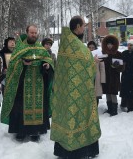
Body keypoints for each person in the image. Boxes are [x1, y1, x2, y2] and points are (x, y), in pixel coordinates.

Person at [50, 16, 101, 159]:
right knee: (80, 117)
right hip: (78, 92)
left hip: (65, 91)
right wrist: (93, 61)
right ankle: (81, 151)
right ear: (78, 27)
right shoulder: (76, 45)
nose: (84, 28)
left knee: (67, 117)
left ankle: (64, 150)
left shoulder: (67, 43)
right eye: (83, 26)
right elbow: (85, 63)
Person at [1, 25, 54, 142]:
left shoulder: (41, 49)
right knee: (21, 107)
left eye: (35, 33)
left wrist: (47, 65)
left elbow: (48, 60)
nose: (34, 35)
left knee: (38, 107)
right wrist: (22, 64)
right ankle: (20, 131)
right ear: (27, 33)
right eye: (31, 33)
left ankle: (36, 131)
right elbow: (13, 64)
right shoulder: (20, 47)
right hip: (22, 84)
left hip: (38, 83)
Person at [101, 35, 124, 116]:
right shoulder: (103, 54)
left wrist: (117, 66)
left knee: (113, 93)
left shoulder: (118, 54)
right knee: (107, 93)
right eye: (108, 44)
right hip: (106, 77)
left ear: (114, 45)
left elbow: (122, 67)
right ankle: (109, 108)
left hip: (114, 77)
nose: (109, 46)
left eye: (111, 44)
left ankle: (114, 110)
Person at [120, 39, 133, 112]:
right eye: (128, 45)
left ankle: (132, 105)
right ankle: (124, 104)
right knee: (125, 90)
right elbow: (120, 63)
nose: (129, 46)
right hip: (125, 74)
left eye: (131, 45)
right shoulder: (124, 53)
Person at [87, 41, 104, 105]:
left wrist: (102, 79)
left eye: (93, 47)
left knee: (96, 93)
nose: (91, 49)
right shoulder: (85, 55)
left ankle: (95, 107)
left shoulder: (99, 54)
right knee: (88, 92)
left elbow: (102, 68)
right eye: (90, 47)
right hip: (88, 76)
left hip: (96, 76)